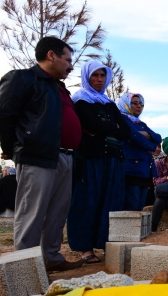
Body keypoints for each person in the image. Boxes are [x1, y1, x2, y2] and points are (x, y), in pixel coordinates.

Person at [0, 37, 84, 272]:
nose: (70, 66)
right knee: (32, 214)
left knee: (57, 214)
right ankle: (25, 268)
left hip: (66, 158)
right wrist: (17, 149)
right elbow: (5, 116)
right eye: (67, 60)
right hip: (37, 157)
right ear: (51, 56)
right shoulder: (23, 78)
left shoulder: (59, 88)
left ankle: (51, 258)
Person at [67, 60, 131, 263]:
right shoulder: (80, 100)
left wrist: (101, 127)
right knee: (88, 201)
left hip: (113, 160)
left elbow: (126, 131)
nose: (99, 80)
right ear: (87, 76)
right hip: (91, 159)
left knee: (111, 203)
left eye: (103, 76)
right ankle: (85, 249)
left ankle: (105, 245)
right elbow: (89, 123)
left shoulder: (109, 103)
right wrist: (107, 126)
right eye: (95, 75)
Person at [118, 93, 162, 211]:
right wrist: (150, 143)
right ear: (126, 104)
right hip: (130, 171)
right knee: (131, 206)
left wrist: (147, 135)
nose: (139, 106)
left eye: (141, 104)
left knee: (140, 208)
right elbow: (134, 137)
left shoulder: (140, 124)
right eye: (135, 103)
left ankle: (136, 230)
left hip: (144, 172)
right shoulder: (122, 119)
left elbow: (158, 137)